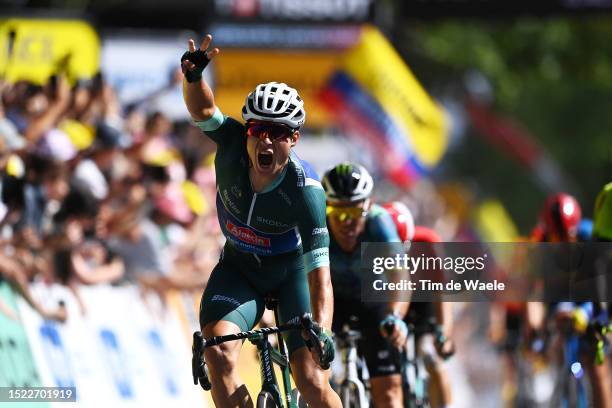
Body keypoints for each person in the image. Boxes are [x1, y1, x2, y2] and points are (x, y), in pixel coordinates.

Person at [181, 35, 341, 407]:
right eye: (258, 130)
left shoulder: (306, 193)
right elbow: (203, 111)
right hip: (239, 269)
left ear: (295, 138)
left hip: (291, 277)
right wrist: (193, 79)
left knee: (313, 381)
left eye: (279, 133)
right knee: (216, 353)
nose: (265, 141)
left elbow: (321, 276)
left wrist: (324, 332)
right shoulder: (233, 143)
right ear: (247, 130)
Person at [322, 163, 409, 408]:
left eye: (353, 212)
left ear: (368, 205)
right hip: (331, 300)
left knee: (389, 394)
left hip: (373, 300)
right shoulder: (317, 223)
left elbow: (400, 278)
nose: (344, 222)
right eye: (336, 211)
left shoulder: (379, 224)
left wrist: (395, 316)